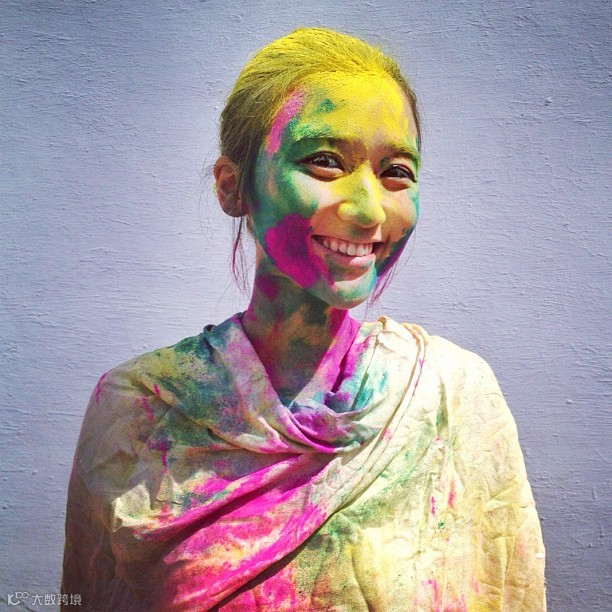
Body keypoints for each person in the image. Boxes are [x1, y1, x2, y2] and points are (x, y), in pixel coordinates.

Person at [62, 27, 546, 611]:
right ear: (233, 187)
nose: (368, 210)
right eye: (324, 162)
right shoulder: (140, 411)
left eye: (396, 171)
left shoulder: (450, 397)